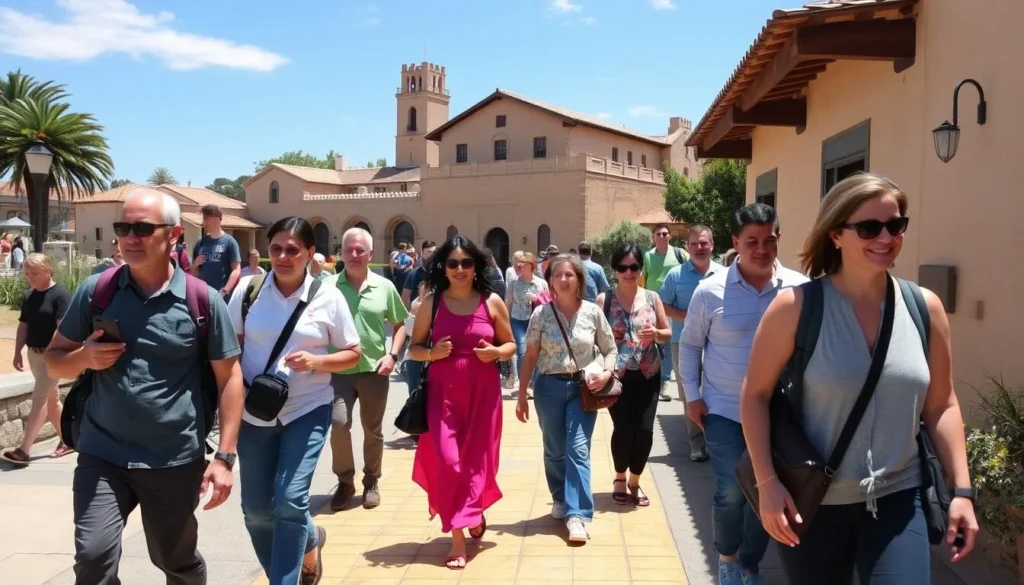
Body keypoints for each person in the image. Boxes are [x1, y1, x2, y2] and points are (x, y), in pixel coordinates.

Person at [740, 173, 979, 584]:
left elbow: (942, 404)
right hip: (813, 504)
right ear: (836, 235)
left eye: (896, 225)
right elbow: (755, 396)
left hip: (898, 500)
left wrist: (963, 491)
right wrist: (767, 484)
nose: (886, 237)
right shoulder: (795, 308)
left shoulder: (925, 308)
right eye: (869, 227)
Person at [44, 188, 243, 585]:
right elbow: (54, 359)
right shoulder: (96, 291)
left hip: (173, 459)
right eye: (123, 227)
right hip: (103, 454)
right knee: (93, 560)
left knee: (174, 560)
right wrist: (83, 358)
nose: (130, 237)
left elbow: (230, 378)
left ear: (173, 236)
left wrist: (224, 457)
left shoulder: (201, 301)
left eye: (142, 228)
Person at [678, 203, 807, 585]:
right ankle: (728, 558)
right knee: (733, 490)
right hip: (724, 409)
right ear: (736, 242)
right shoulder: (709, 292)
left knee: (766, 491)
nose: (762, 249)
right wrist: (692, 396)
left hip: (782, 414)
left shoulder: (800, 289)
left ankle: (749, 562)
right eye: (752, 241)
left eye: (770, 240)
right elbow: (689, 346)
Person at [229, 216, 361, 585]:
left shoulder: (327, 296)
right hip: (255, 413)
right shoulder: (248, 290)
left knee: (288, 500)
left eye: (293, 250)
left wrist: (318, 361)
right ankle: (310, 538)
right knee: (256, 512)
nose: (283, 257)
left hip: (308, 408)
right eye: (276, 249)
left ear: (310, 253)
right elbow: (230, 350)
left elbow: (353, 353)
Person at [408, 236, 515, 569]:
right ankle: (457, 537)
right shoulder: (432, 303)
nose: (459, 269)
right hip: (443, 394)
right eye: (452, 263)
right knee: (449, 461)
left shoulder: (492, 301)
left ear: (476, 267)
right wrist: (431, 353)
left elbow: (511, 344)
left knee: (477, 462)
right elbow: (413, 348)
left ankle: (472, 509)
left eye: (466, 263)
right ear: (444, 267)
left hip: (483, 392)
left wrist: (496, 353)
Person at [515, 254, 617, 543]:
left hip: (584, 388)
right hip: (548, 387)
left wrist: (607, 373)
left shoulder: (593, 312)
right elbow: (530, 355)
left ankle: (578, 515)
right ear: (550, 281)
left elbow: (610, 349)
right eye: (558, 275)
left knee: (578, 449)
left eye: (569, 275)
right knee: (555, 448)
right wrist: (522, 394)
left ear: (579, 280)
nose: (563, 279)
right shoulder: (541, 314)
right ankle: (559, 496)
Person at [328, 227, 409, 511]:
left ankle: (371, 481)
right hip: (337, 371)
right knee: (339, 425)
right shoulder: (328, 287)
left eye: (360, 250)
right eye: (348, 249)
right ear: (341, 252)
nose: (353, 255)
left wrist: (393, 355)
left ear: (370, 254)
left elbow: (400, 325)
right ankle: (345, 481)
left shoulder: (384, 287)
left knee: (372, 430)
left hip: (375, 371)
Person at [596, 245, 671, 507]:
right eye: (623, 268)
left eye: (634, 267)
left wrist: (657, 335)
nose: (629, 272)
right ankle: (619, 477)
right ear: (615, 270)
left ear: (641, 269)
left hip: (649, 373)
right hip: (617, 377)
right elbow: (595, 340)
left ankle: (635, 480)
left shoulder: (652, 298)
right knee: (625, 428)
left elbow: (667, 332)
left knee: (645, 430)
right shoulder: (604, 300)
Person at [660, 225, 725, 463]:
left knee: (717, 389)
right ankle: (697, 444)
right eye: (695, 243)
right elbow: (663, 305)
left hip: (718, 344)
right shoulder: (676, 275)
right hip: (683, 343)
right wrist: (691, 318)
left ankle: (717, 440)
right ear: (687, 247)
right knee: (690, 392)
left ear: (712, 245)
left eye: (704, 243)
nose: (699, 247)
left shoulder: (724, 274)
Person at [0, 253, 73, 466]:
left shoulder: (61, 295)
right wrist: (17, 351)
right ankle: (67, 441)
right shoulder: (29, 295)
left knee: (39, 398)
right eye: (27, 273)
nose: (29, 277)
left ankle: (24, 450)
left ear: (48, 271)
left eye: (34, 273)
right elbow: (24, 325)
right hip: (34, 354)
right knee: (51, 399)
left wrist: (50, 353)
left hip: (53, 357)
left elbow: (61, 328)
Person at [642, 224, 688, 402]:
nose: (663, 236)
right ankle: (652, 378)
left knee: (668, 344)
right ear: (653, 237)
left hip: (673, 305)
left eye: (666, 234)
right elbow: (643, 279)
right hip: (652, 305)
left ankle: (665, 383)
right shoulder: (648, 256)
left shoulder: (680, 254)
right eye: (659, 234)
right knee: (653, 343)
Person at [505, 252, 547, 397]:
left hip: (535, 322)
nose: (518, 266)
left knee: (535, 351)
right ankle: (524, 385)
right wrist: (505, 323)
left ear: (531, 266)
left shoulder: (541, 283)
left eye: (522, 264)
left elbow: (550, 304)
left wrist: (537, 299)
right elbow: (508, 303)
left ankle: (533, 385)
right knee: (522, 350)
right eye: (517, 263)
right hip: (517, 320)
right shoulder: (513, 282)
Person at [191, 204, 242, 298]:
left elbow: (236, 269)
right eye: (203, 219)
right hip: (202, 295)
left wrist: (225, 291)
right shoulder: (200, 243)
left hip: (220, 296)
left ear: (218, 219)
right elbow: (194, 274)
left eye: (207, 218)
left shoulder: (230, 242)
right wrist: (195, 265)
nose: (204, 222)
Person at [402, 240, 437, 307]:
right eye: (429, 252)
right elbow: (405, 297)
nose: (432, 255)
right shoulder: (413, 274)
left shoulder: (441, 274)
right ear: (422, 253)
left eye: (434, 252)